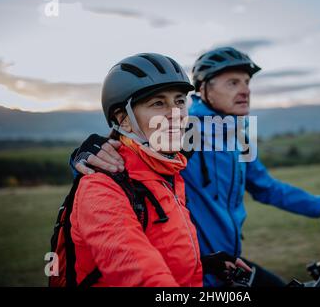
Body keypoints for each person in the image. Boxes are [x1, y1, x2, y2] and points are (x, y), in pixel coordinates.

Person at [72, 47, 320, 287]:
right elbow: (127, 165)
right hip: (180, 270)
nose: (244, 90)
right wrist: (84, 157)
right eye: (232, 83)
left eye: (246, 82)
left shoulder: (237, 136)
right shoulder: (187, 131)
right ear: (204, 88)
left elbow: (266, 187)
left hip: (218, 263)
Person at [70, 52, 249, 287]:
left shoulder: (168, 172)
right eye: (157, 103)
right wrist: (78, 161)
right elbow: (139, 275)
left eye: (180, 101)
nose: (175, 113)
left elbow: (158, 248)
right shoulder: (102, 187)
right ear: (123, 119)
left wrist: (202, 264)